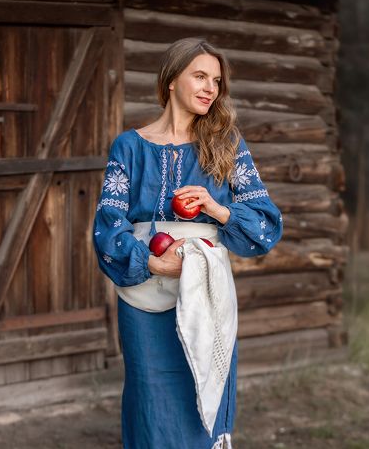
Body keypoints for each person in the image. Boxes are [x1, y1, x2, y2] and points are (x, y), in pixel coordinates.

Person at [92, 38, 282, 448]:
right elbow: (108, 223)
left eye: (216, 80)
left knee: (203, 389)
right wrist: (152, 263)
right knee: (150, 394)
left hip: (207, 291)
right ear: (172, 78)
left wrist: (217, 208)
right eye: (200, 76)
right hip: (143, 293)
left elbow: (265, 222)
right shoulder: (129, 146)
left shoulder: (227, 144)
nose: (210, 87)